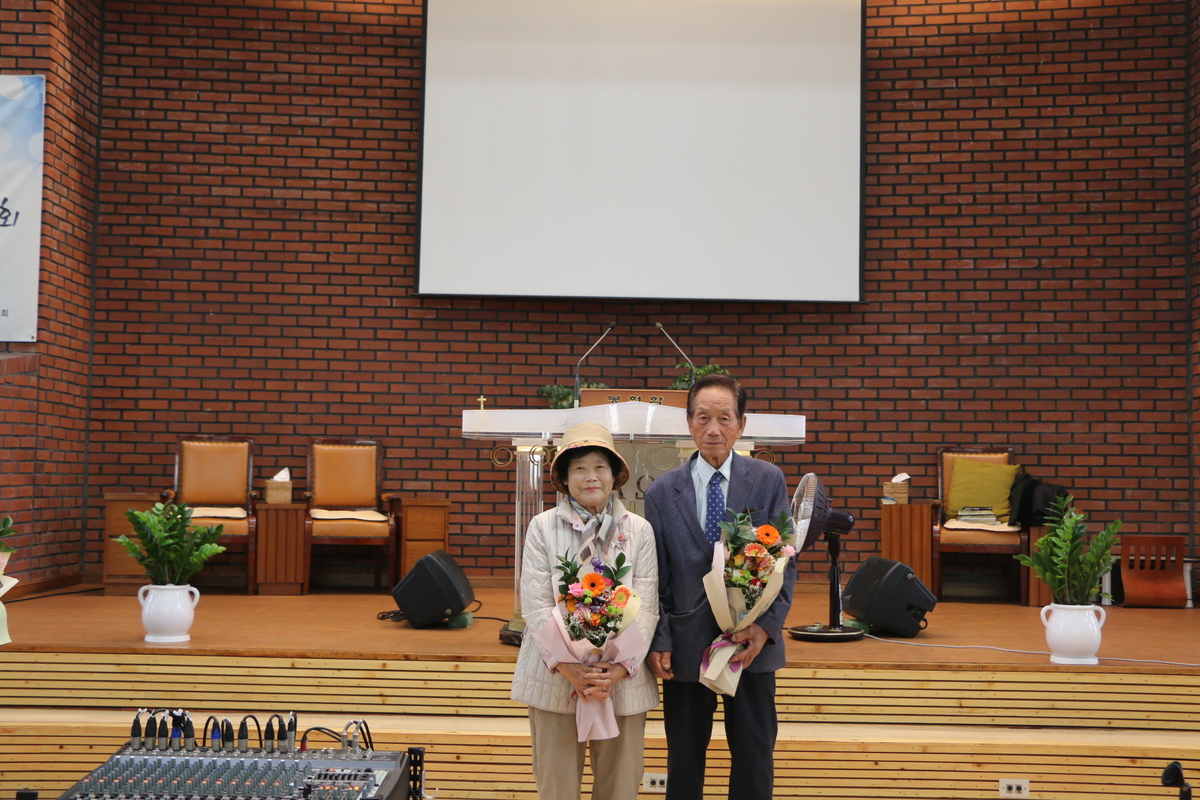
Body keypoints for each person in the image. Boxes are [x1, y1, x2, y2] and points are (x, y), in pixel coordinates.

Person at [645, 373, 796, 800]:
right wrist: (660, 639)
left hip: (750, 646)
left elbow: (786, 561)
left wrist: (764, 628)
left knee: (754, 757)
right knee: (684, 760)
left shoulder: (767, 480)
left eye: (724, 418)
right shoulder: (661, 492)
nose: (713, 429)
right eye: (703, 417)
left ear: (741, 424)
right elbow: (655, 576)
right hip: (686, 644)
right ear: (689, 422)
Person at [510, 422, 659, 800]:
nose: (590, 476)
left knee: (620, 785)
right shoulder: (542, 527)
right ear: (564, 477)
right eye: (579, 468)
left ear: (614, 475)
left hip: (621, 682)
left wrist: (617, 668)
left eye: (599, 467)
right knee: (557, 787)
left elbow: (646, 605)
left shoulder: (639, 530)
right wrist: (568, 666)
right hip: (555, 678)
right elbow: (536, 605)